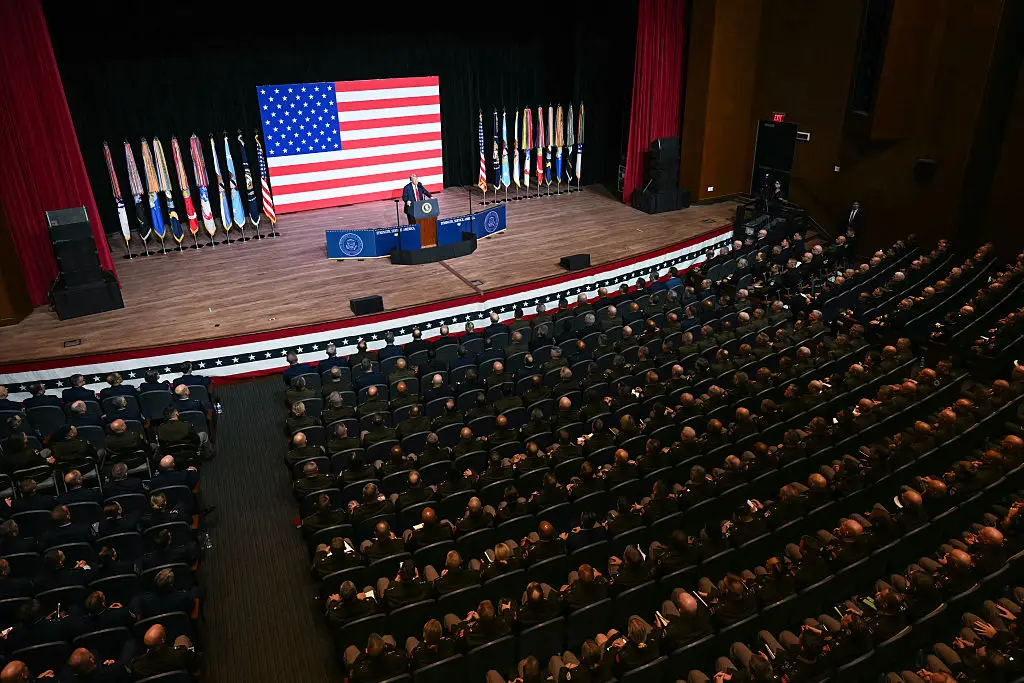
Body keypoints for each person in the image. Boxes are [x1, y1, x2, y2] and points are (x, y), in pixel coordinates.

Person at [130, 623, 200, 680]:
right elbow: (195, 664)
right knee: (182, 638)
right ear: (163, 640)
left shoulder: (137, 666)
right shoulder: (181, 655)